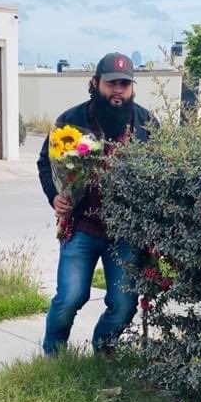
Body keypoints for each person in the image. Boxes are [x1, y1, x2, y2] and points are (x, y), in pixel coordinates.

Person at [37, 52, 158, 355]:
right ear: (95, 83)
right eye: (111, 83)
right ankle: (54, 354)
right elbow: (45, 162)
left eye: (124, 84)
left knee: (124, 303)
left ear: (132, 88)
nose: (118, 90)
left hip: (126, 234)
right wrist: (56, 195)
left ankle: (103, 350)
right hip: (82, 228)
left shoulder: (148, 124)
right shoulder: (70, 121)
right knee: (70, 298)